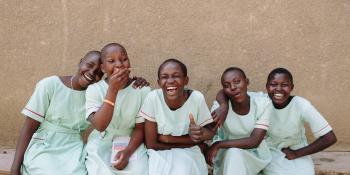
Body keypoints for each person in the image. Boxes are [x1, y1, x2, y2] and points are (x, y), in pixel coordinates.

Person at [11, 51, 104, 175]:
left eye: (99, 72)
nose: (92, 73)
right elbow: (28, 127)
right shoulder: (50, 84)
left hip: (74, 148)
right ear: (80, 62)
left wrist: (137, 82)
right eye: (89, 65)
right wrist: (15, 167)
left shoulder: (97, 96)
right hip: (44, 145)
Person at [140, 58, 215, 175]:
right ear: (159, 82)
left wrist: (168, 139)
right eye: (165, 77)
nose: (170, 81)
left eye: (176, 76)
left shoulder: (196, 98)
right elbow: (151, 144)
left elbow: (210, 133)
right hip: (160, 152)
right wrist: (191, 142)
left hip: (189, 151)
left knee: (185, 169)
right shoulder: (153, 98)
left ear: (186, 80)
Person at [84, 43, 151, 175]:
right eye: (111, 61)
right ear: (103, 68)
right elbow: (100, 125)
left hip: (132, 142)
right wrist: (113, 90)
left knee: (139, 171)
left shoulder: (142, 90)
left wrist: (127, 152)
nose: (119, 64)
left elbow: (140, 128)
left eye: (124, 59)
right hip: (102, 141)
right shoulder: (95, 90)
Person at [262, 68, 337, 175]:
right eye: (273, 84)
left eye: (284, 85)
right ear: (267, 87)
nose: (278, 89)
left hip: (297, 149)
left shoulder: (301, 105)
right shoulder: (261, 102)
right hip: (271, 150)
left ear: (292, 87)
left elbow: (330, 138)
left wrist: (296, 153)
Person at [207, 67, 273, 175]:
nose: (233, 87)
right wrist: (224, 106)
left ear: (247, 82)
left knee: (235, 153)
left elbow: (254, 141)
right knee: (234, 153)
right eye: (227, 86)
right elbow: (209, 131)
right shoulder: (219, 108)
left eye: (237, 82)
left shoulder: (262, 104)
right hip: (227, 154)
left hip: (255, 155)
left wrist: (218, 145)